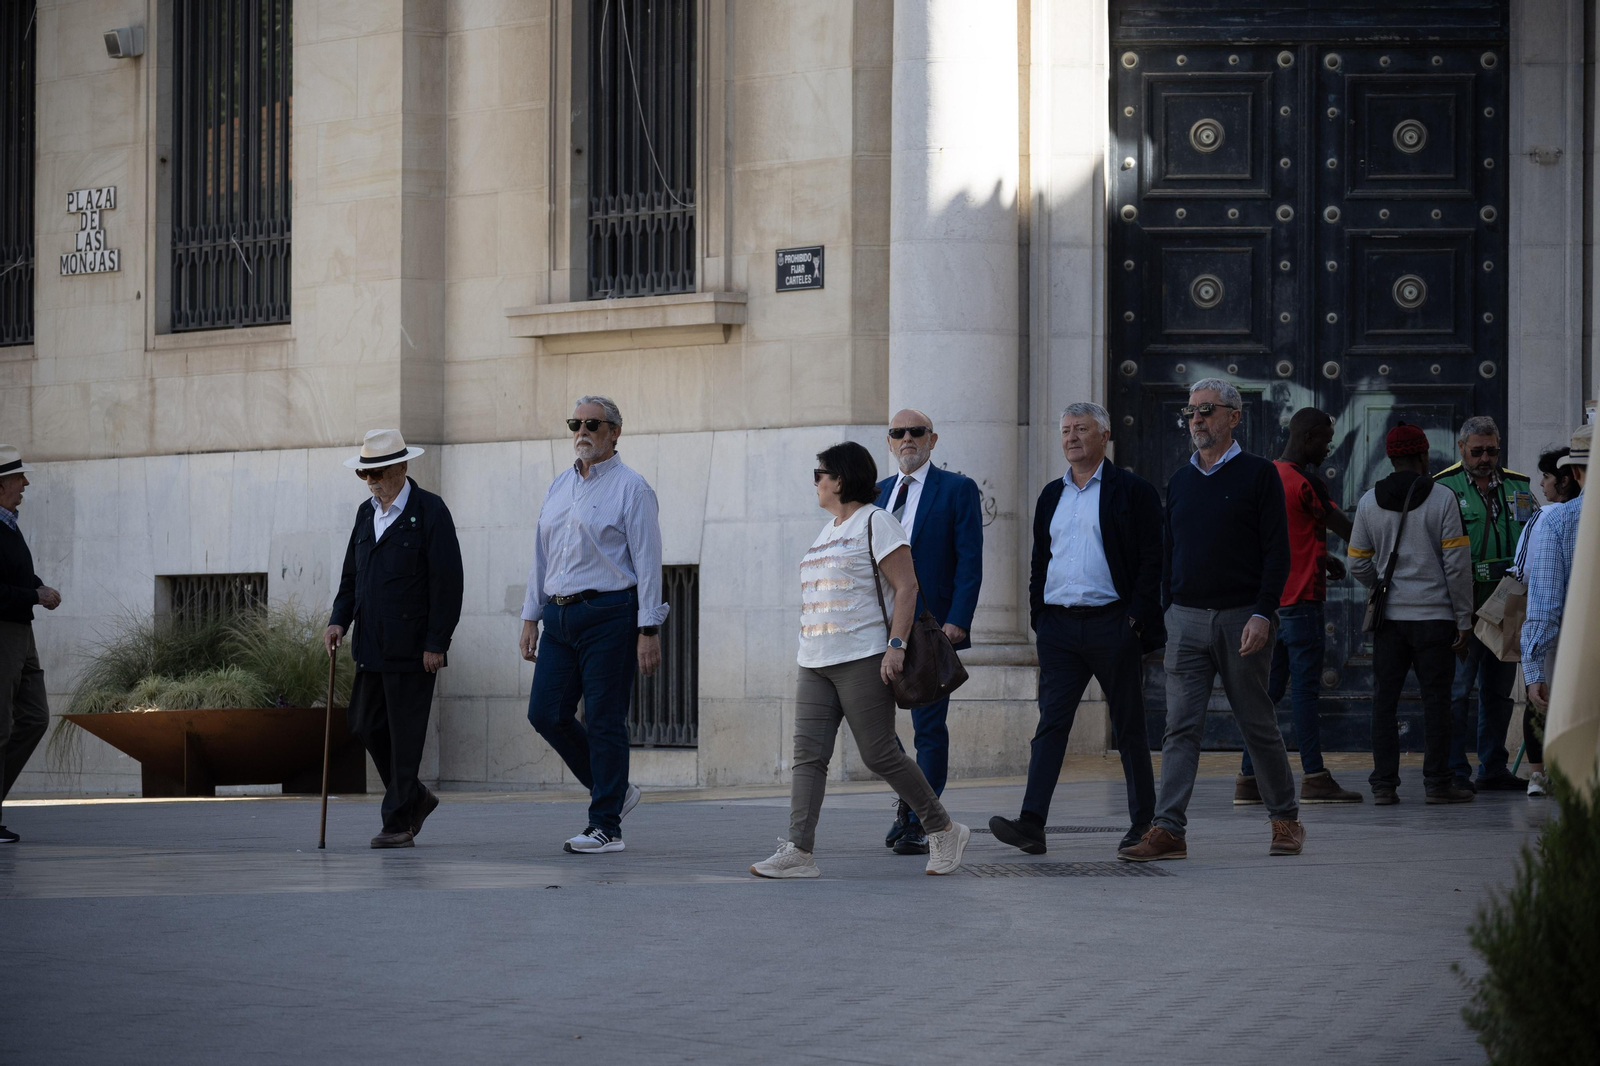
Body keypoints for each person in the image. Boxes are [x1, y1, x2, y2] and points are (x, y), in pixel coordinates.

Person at [750, 442, 970, 878]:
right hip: (814, 660)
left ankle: (943, 829)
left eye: (820, 474)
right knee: (808, 757)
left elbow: (907, 587)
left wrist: (896, 645)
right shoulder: (828, 530)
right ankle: (799, 851)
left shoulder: (877, 521)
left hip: (863, 656)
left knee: (879, 754)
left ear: (841, 478)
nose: (815, 482)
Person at [1119, 379, 1304, 862]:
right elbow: (1169, 551)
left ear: (1234, 417)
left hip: (1243, 618)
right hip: (1186, 620)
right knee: (1179, 727)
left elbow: (1277, 552)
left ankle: (1285, 819)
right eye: (1191, 411)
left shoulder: (1259, 474)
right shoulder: (1180, 480)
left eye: (1207, 410)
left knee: (1256, 722)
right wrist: (1168, 610)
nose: (1196, 419)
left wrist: (1263, 611)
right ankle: (1168, 830)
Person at [990, 403, 1163, 857]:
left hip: (1113, 624)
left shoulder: (1133, 491)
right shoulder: (1052, 494)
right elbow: (1039, 560)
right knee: (1050, 725)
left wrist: (1134, 622)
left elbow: (1153, 561)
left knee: (1129, 727)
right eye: (1065, 430)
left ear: (1104, 435)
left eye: (1081, 429)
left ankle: (1143, 823)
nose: (1071, 438)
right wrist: (1040, 617)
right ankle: (1032, 823)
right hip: (1059, 629)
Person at [520, 397, 666, 855]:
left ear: (614, 432)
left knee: (604, 719)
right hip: (558, 616)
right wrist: (530, 616)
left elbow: (648, 562)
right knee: (545, 713)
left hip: (609, 613)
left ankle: (606, 826)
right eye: (575, 423)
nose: (581, 431)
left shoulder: (632, 489)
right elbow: (541, 555)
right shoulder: (559, 485)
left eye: (592, 424)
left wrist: (648, 629)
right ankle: (616, 790)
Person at [326, 430, 464, 848]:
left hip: (413, 648)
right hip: (370, 644)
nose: (371, 481)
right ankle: (415, 796)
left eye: (378, 473)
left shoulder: (430, 511)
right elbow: (351, 577)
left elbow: (448, 583)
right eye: (364, 474)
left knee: (405, 737)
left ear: (402, 467)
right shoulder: (364, 514)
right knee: (363, 723)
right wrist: (338, 620)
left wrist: (437, 642)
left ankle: (398, 821)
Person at [1235, 408, 1361, 806]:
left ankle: (1248, 780)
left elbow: (1281, 536)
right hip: (1304, 603)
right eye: (1324, 441)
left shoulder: (1268, 476)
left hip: (1272, 606)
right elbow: (1345, 528)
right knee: (1305, 693)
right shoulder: (1307, 483)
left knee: (1269, 693)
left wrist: (1322, 557)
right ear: (1307, 438)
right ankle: (1315, 776)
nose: (1327, 450)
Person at [1348, 423, 1474, 805]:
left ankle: (1384, 785)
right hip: (1435, 620)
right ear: (1423, 455)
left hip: (1390, 621)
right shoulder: (1443, 498)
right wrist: (1464, 619)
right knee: (1437, 702)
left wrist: (1380, 585)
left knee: (1384, 701)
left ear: (1390, 457)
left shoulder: (1369, 501)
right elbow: (1457, 566)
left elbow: (1357, 562)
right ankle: (1438, 783)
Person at [875, 409, 983, 855]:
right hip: (877, 627)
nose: (907, 439)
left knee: (929, 728)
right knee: (873, 726)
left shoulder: (957, 489)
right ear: (890, 441)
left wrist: (958, 618)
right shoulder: (877, 493)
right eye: (898, 433)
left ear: (932, 440)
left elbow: (970, 558)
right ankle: (910, 801)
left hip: (930, 627)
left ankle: (921, 820)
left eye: (916, 432)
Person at [1434, 416, 1535, 792]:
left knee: (1499, 691)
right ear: (1461, 448)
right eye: (1477, 451)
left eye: (1492, 450)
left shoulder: (1518, 485)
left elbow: (1535, 533)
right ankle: (1455, 770)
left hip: (1507, 606)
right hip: (1463, 607)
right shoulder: (1443, 487)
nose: (1485, 459)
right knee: (1457, 693)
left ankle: (1493, 767)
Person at [1521, 424, 1590, 791]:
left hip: (1579, 660)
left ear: (1575, 472)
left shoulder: (1559, 521)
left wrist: (1533, 670)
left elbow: (1544, 604)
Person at [0, 447, 61, 844]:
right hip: (4, 631)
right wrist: (33, 595)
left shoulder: (10, 525)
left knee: (35, 717)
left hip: (21, 631)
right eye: (18, 477)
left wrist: (38, 587)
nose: (25, 483)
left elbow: (15, 575)